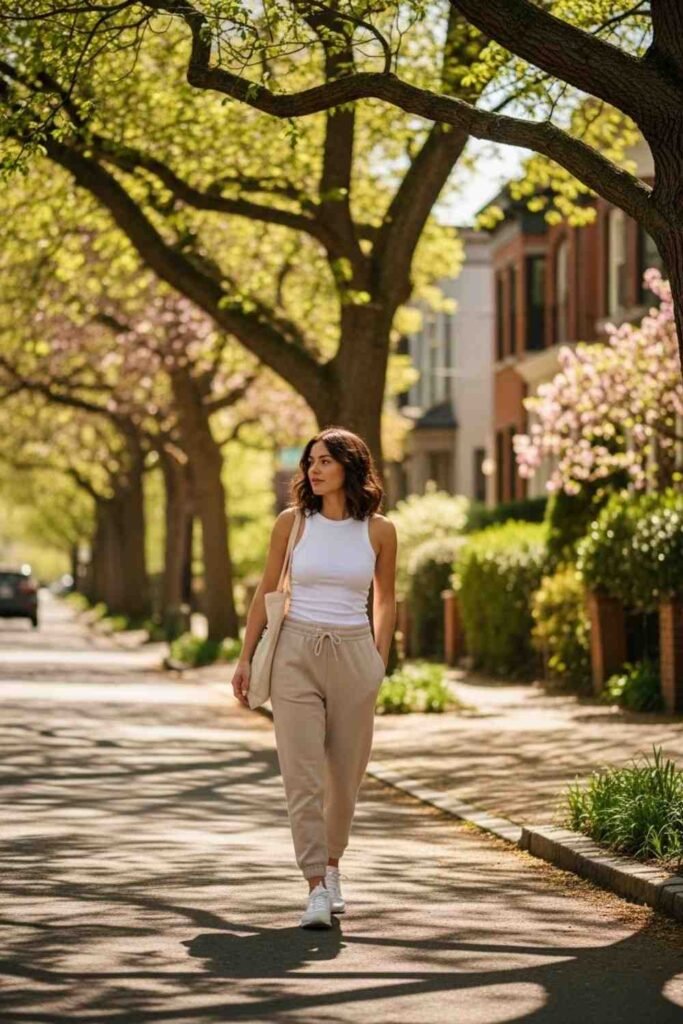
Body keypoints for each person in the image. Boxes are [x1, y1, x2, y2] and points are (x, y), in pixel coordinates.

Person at [231, 426, 398, 929]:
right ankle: (315, 887)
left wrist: (377, 659)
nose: (314, 469)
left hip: (353, 654)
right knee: (301, 775)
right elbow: (266, 588)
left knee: (344, 779)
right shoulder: (292, 523)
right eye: (311, 461)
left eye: (325, 460)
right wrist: (244, 656)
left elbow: (386, 599)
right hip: (295, 651)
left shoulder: (380, 531)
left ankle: (332, 865)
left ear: (350, 464)